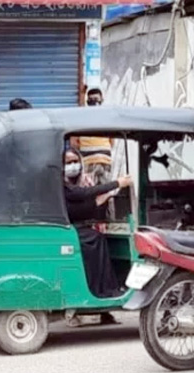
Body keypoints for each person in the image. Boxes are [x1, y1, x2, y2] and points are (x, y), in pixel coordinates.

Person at [64, 148, 132, 300]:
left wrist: (105, 196)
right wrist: (116, 183)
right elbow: (81, 195)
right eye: (68, 163)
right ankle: (100, 290)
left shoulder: (83, 181)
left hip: (78, 227)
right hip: (67, 230)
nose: (73, 165)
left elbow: (85, 206)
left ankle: (106, 288)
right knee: (95, 239)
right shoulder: (62, 185)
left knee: (98, 236)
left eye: (75, 161)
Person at [71, 89, 115, 186]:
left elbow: (74, 143)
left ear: (101, 100)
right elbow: (112, 142)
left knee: (95, 191)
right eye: (91, 99)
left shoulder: (106, 118)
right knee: (99, 190)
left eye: (95, 99)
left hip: (97, 161)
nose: (93, 101)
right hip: (96, 161)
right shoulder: (106, 117)